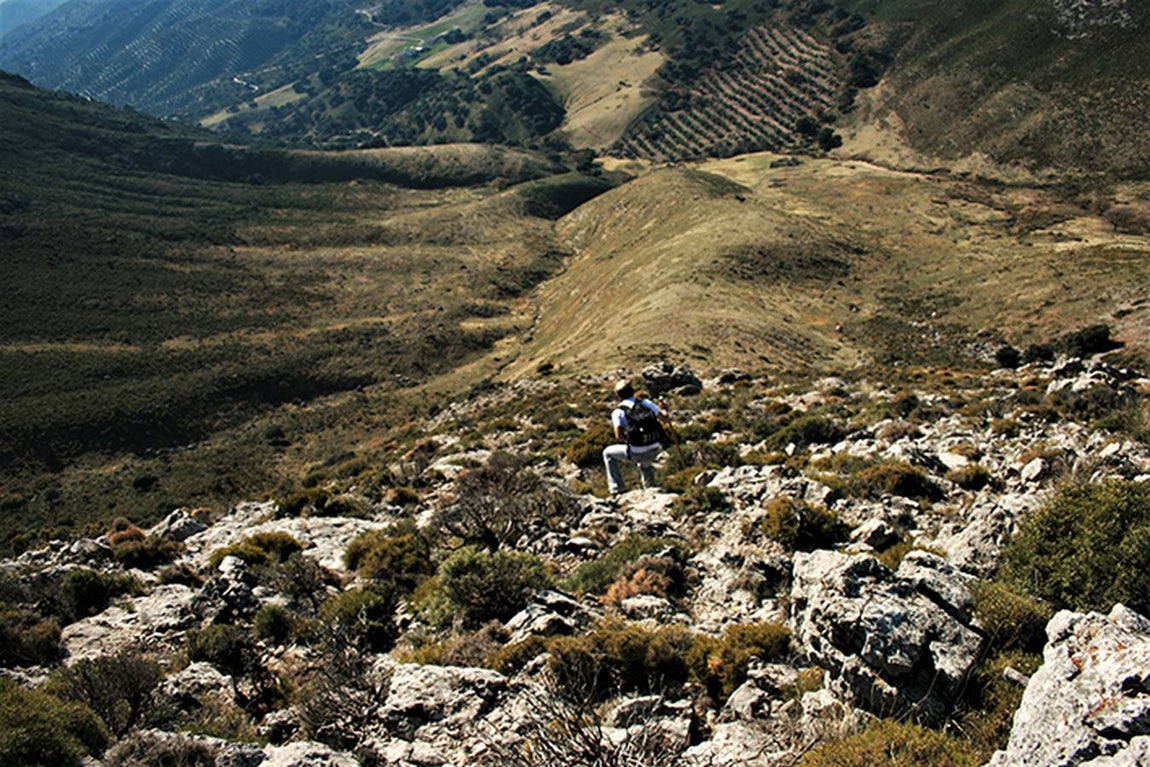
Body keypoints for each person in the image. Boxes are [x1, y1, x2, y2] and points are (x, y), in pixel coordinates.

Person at [602, 379, 668, 495]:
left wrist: (631, 436)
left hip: (637, 452)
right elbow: (665, 419)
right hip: (655, 448)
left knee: (608, 453)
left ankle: (617, 489)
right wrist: (665, 408)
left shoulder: (618, 412)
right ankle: (650, 487)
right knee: (645, 460)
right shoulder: (646, 403)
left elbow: (619, 437)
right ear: (633, 391)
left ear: (618, 396)